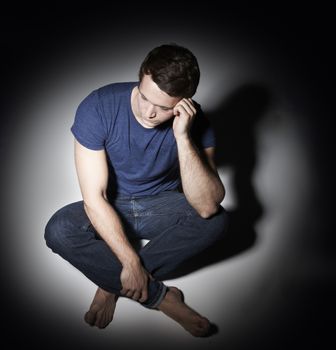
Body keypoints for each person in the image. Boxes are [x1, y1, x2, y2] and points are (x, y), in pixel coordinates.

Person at [44, 43, 228, 337]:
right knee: (59, 229)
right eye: (144, 97)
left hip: (161, 204)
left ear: (184, 103)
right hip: (111, 202)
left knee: (216, 221)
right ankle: (161, 297)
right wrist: (129, 261)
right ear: (141, 77)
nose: (149, 112)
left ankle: (109, 283)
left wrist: (183, 137)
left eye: (165, 107)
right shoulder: (99, 106)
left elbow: (206, 206)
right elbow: (95, 198)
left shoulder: (197, 123)